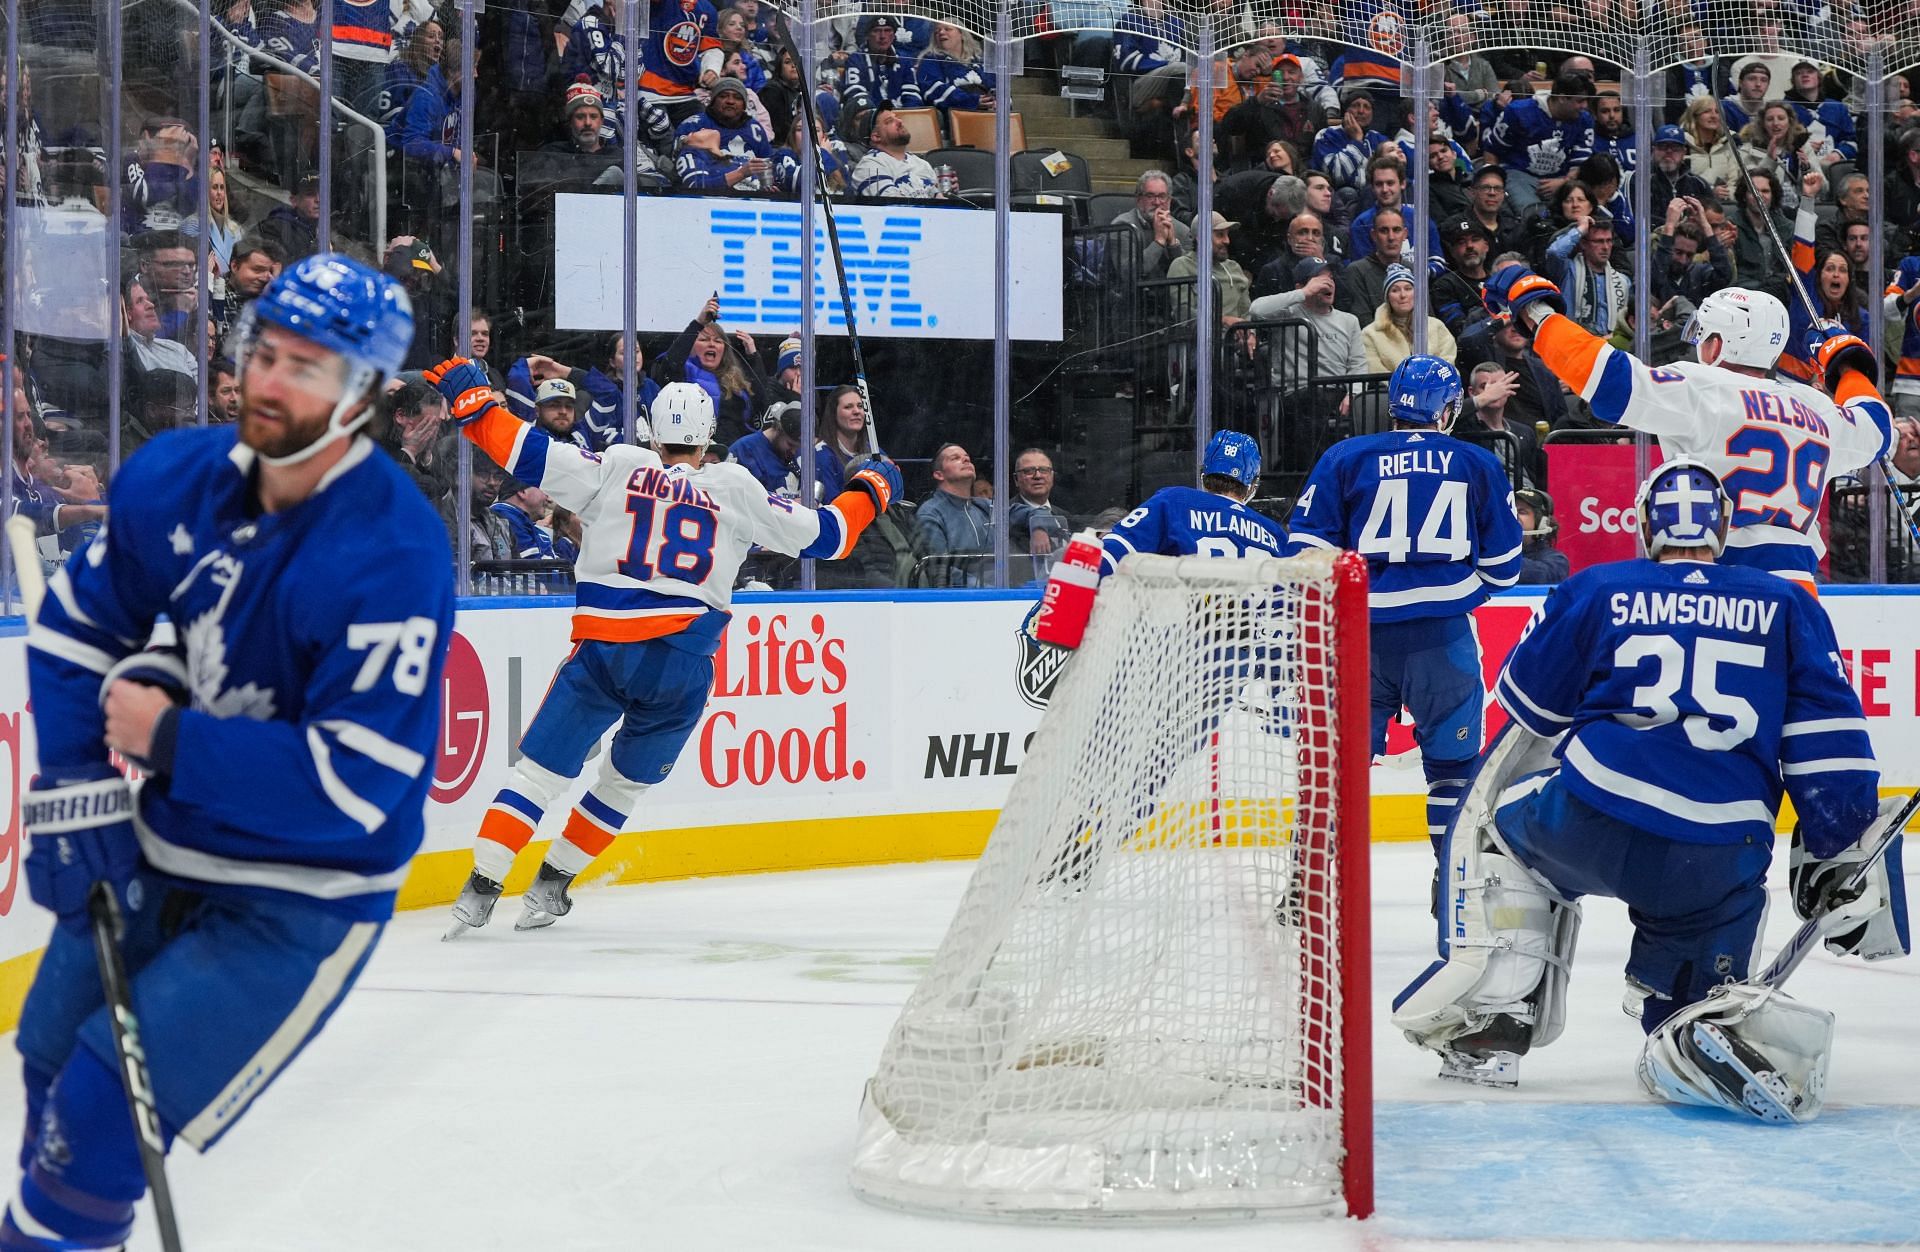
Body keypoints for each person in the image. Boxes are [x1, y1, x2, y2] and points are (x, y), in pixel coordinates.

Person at [9, 254, 451, 1248]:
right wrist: (77, 778)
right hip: (162, 851)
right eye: (264, 352)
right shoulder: (182, 476)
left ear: (366, 395)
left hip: (296, 901)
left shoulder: (394, 554)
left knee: (97, 1116)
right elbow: (81, 624)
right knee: (46, 1071)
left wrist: (166, 734)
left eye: (305, 365)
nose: (267, 379)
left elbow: (354, 787)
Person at [1392, 459, 1895, 1113]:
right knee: (1693, 988)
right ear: (1725, 529)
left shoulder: (1599, 587)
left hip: (1593, 817)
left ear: (1641, 525)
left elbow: (1528, 709)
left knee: (1499, 837)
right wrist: (1839, 847)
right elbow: (1831, 749)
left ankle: (1496, 1021)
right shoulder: (1787, 603)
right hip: (1717, 853)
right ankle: (1688, 1021)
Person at [435, 372, 902, 934]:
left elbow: (525, 451)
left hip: (606, 648)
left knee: (538, 776)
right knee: (623, 784)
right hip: (681, 663)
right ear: (709, 438)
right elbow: (828, 536)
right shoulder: (735, 486)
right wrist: (874, 486)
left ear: (653, 433)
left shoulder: (620, 465)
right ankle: (552, 885)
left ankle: (482, 886)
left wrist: (474, 403)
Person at [1480, 257, 1893, 592]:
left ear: (1717, 343)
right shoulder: (1815, 407)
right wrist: (1847, 368)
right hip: (1800, 588)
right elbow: (1877, 430)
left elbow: (1607, 380)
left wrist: (1536, 312)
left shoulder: (1701, 387)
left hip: (1718, 584)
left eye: (1704, 336)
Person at [1285, 356, 1522, 856]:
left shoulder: (1345, 456)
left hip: (1358, 638)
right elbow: (1505, 570)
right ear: (1448, 408)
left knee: (1340, 768)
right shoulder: (1476, 461)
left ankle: (1308, 885)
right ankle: (1450, 882)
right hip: (1443, 636)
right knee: (1452, 768)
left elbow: (1304, 553)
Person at [1483, 69, 1596, 215]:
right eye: (1580, 101)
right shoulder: (1518, 112)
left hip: (1562, 180)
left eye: (1587, 101)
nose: (1585, 106)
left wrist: (1564, 182)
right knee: (1535, 216)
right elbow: (1492, 150)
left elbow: (1580, 162)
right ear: (1562, 98)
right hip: (1518, 175)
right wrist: (1492, 185)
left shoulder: (1584, 119)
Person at [1544, 209, 1630, 340]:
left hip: (1608, 348)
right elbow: (1554, 252)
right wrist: (1581, 229)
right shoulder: (1567, 271)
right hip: (1573, 344)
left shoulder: (1622, 281)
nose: (1606, 247)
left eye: (1609, 241)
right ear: (1584, 243)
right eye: (1599, 241)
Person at [918, 442, 993, 586]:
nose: (966, 460)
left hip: (1001, 594)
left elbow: (1018, 511)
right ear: (939, 474)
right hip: (962, 599)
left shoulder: (982, 505)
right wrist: (984, 588)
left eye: (967, 457)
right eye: (955, 458)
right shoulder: (931, 513)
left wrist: (1038, 526)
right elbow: (940, 570)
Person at [1363, 263, 1456, 373]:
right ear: (1387, 297)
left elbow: (1448, 364)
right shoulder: (1370, 334)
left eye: (1408, 289)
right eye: (1395, 290)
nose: (1403, 295)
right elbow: (1376, 371)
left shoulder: (1436, 326)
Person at [1167, 212, 1252, 324]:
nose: (1227, 241)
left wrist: (1250, 334)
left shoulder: (1234, 267)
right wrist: (1223, 320)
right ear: (1200, 238)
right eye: (1220, 235)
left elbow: (1247, 313)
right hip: (1199, 340)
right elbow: (1184, 314)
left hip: (1236, 339)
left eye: (1227, 235)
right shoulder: (1182, 266)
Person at [1112, 171, 1193, 281]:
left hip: (1169, 296)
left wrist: (1173, 245)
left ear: (1169, 200)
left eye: (1162, 196)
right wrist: (1159, 241)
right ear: (1139, 199)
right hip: (1132, 296)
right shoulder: (1122, 227)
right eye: (1150, 196)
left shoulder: (1183, 230)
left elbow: (1191, 276)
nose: (1157, 202)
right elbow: (1128, 273)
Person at [851, 109, 940, 199]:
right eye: (890, 121)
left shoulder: (922, 164)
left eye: (896, 118)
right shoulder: (869, 166)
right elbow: (891, 206)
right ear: (876, 137)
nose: (900, 121)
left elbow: (941, 203)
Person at [1009, 447, 1071, 568]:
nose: (1038, 476)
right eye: (1028, 471)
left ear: (1052, 476)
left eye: (1044, 470)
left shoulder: (1064, 515)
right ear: (1016, 479)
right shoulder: (1007, 516)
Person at [1512, 485, 1566, 582]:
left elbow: (1543, 574)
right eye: (1511, 511)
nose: (1514, 515)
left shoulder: (1557, 561)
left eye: (1522, 512)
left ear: (1540, 522)